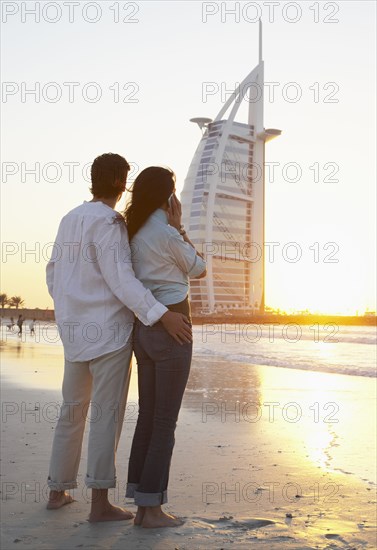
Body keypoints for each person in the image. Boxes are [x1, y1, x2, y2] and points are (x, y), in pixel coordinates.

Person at [45, 153, 192, 522]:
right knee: (105, 417)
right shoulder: (111, 222)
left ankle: (57, 491)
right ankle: (100, 504)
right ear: (117, 182)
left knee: (71, 411)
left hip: (74, 330)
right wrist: (161, 314)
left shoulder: (69, 218)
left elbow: (52, 273)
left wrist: (67, 312)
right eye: (124, 180)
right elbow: (121, 279)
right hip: (109, 332)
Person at [124, 166, 206, 528]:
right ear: (168, 196)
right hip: (174, 324)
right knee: (164, 422)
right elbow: (199, 267)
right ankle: (151, 511)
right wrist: (180, 227)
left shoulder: (133, 230)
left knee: (147, 417)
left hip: (145, 325)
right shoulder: (166, 232)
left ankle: (142, 501)